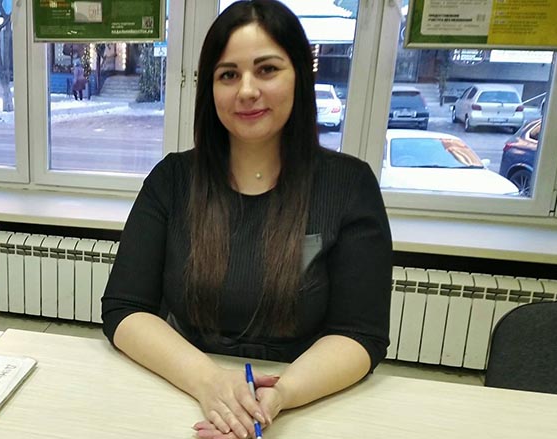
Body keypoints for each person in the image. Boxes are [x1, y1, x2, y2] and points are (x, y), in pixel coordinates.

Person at [100, 1, 392, 438]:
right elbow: (124, 309)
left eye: (267, 69)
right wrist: (210, 382)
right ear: (210, 88)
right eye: (228, 75)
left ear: (299, 76)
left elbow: (359, 333)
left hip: (306, 401)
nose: (247, 90)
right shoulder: (173, 179)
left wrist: (280, 395)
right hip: (181, 390)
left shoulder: (349, 185)